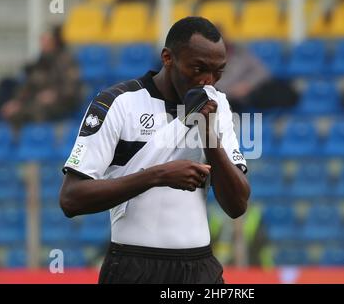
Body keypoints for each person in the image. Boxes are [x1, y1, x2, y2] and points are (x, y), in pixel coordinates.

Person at [59, 17, 250, 284]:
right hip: (134, 267)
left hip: (199, 270)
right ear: (168, 58)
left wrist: (208, 133)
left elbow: (237, 205)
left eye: (218, 72)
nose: (207, 81)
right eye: (198, 68)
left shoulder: (217, 104)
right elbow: (71, 199)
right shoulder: (119, 103)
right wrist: (158, 176)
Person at [0, 25, 82, 128]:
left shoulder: (66, 61)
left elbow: (71, 88)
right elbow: (28, 86)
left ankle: (40, 140)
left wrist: (55, 94)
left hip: (62, 102)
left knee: (38, 109)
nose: (43, 43)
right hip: (36, 100)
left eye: (46, 40)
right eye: (42, 40)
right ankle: (18, 142)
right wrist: (17, 102)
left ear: (55, 41)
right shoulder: (39, 62)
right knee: (13, 111)